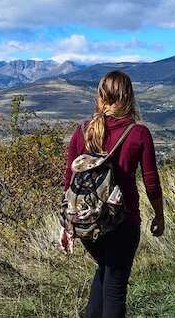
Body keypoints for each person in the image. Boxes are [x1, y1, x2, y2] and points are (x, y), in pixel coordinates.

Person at [59, 70, 164, 318]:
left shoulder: (82, 130)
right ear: (129, 96)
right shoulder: (138, 133)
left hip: (87, 223)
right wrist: (159, 216)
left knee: (105, 275)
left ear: (100, 96)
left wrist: (66, 225)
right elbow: (151, 182)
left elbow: (69, 180)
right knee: (115, 288)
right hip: (123, 223)